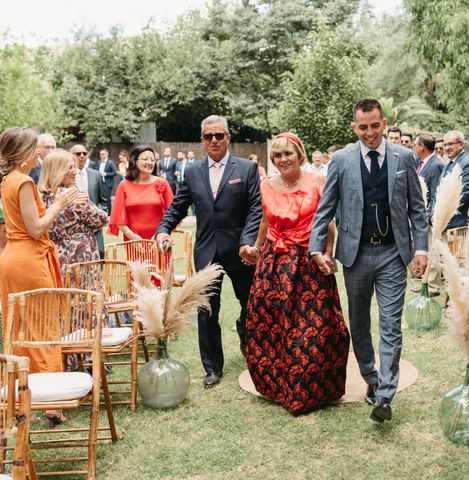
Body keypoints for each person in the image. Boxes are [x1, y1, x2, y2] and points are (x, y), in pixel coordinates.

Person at [309, 98, 429, 423]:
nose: (370, 133)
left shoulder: (404, 158)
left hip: (393, 252)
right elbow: (325, 208)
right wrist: (317, 248)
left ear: (384, 122)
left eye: (375, 126)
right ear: (354, 127)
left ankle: (385, 395)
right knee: (359, 323)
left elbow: (417, 209)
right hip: (356, 254)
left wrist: (421, 249)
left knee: (390, 325)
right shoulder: (342, 160)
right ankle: (371, 378)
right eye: (363, 127)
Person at [244, 133, 350, 414]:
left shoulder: (317, 181)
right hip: (274, 263)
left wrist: (327, 253)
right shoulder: (266, 185)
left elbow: (328, 223)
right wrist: (255, 247)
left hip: (309, 262)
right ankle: (278, 387)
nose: (283, 159)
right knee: (270, 325)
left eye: (288, 153)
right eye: (277, 155)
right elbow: (266, 220)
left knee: (313, 329)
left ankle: (313, 389)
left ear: (300, 154)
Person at [155, 115, 262, 389]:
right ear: (202, 140)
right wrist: (163, 229)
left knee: (251, 306)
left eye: (219, 135)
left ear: (228, 137)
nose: (214, 140)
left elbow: (255, 209)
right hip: (206, 253)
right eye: (208, 136)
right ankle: (212, 368)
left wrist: (247, 241)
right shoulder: (192, 171)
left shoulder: (247, 168)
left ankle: (256, 354)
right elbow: (178, 206)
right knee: (207, 312)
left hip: (241, 251)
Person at [0, 128, 80, 374]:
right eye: (34, 148)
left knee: (19, 327)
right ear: (22, 153)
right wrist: (58, 204)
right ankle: (51, 397)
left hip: (14, 257)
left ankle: (21, 389)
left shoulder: (7, 180)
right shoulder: (23, 182)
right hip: (29, 261)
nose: (38, 152)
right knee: (42, 325)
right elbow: (35, 229)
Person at [39, 149, 108, 278]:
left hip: (56, 258)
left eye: (74, 167)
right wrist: (88, 202)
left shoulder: (42, 198)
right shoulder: (73, 196)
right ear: (57, 171)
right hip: (81, 261)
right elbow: (102, 219)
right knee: (84, 297)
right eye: (69, 168)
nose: (75, 171)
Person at [108, 145, 174, 241]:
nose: (149, 162)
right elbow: (117, 218)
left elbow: (173, 214)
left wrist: (160, 234)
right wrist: (131, 236)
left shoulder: (163, 183)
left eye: (152, 160)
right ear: (135, 161)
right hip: (134, 243)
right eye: (145, 159)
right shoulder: (124, 186)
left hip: (159, 240)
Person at [70, 144, 109, 258]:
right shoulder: (67, 176)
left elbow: (103, 199)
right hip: (75, 225)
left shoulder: (95, 174)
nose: (82, 156)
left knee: (100, 252)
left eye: (84, 153)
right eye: (78, 154)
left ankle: (99, 276)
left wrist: (100, 212)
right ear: (71, 156)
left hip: (95, 223)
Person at [439, 131, 469, 229]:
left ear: (461, 144)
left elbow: (462, 197)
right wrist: (433, 215)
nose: (447, 148)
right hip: (444, 224)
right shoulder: (449, 163)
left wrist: (441, 215)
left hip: (459, 226)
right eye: (445, 145)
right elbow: (438, 192)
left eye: (451, 144)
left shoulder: (468, 164)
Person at [414, 133, 443, 224]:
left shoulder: (436, 165)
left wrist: (429, 217)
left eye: (415, 144)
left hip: (425, 218)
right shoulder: (419, 161)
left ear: (422, 146)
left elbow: (434, 194)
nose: (413, 147)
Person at [89, 148, 118, 214]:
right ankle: (102, 213)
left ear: (106, 155)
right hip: (100, 184)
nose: (101, 155)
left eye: (102, 154)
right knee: (100, 199)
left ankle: (109, 214)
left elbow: (114, 173)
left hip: (107, 184)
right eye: (100, 154)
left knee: (107, 200)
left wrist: (106, 174)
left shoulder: (110, 163)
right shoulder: (99, 162)